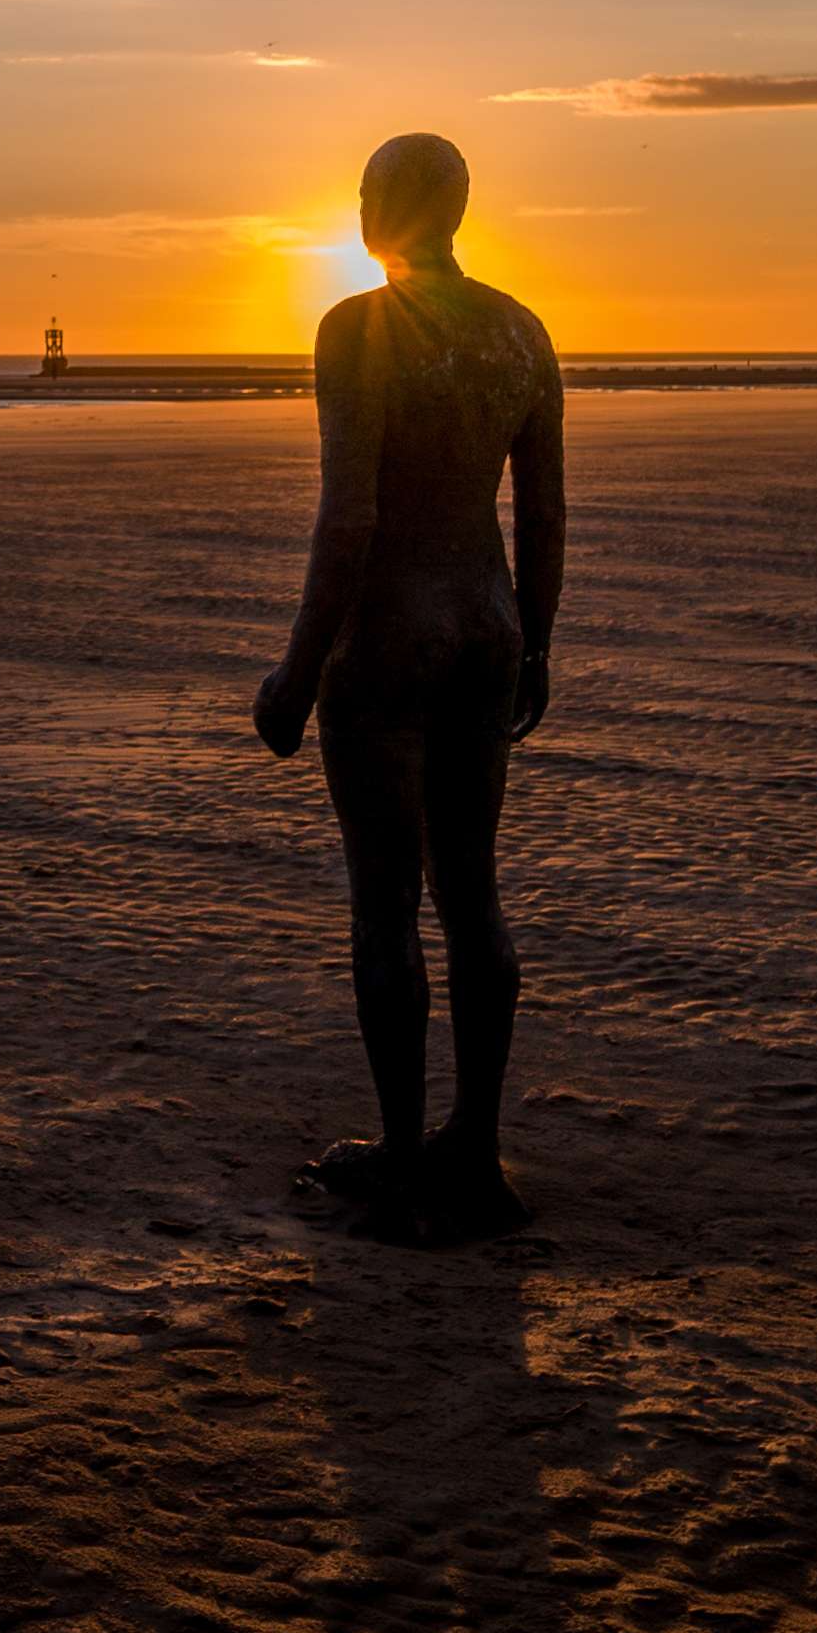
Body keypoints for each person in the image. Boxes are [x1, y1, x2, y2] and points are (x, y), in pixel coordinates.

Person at [249, 130, 564, 1242]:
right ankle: (471, 1148)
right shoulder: (521, 333)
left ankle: (402, 1149)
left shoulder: (360, 328)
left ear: (389, 203)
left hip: (388, 636)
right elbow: (541, 514)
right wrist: (534, 645)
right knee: (471, 893)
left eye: (370, 187)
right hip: (483, 626)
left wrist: (297, 667)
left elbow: (353, 515)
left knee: (386, 902)